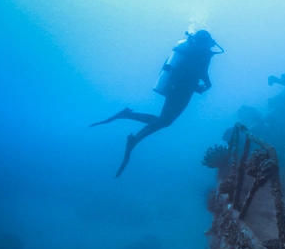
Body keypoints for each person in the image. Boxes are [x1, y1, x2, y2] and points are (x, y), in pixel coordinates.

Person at [91, 30, 223, 177]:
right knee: (165, 121)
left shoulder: (192, 48)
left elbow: (187, 70)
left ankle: (130, 125)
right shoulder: (202, 52)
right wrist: (207, 84)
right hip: (183, 90)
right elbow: (201, 71)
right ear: (205, 42)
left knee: (164, 120)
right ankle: (132, 132)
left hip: (177, 88)